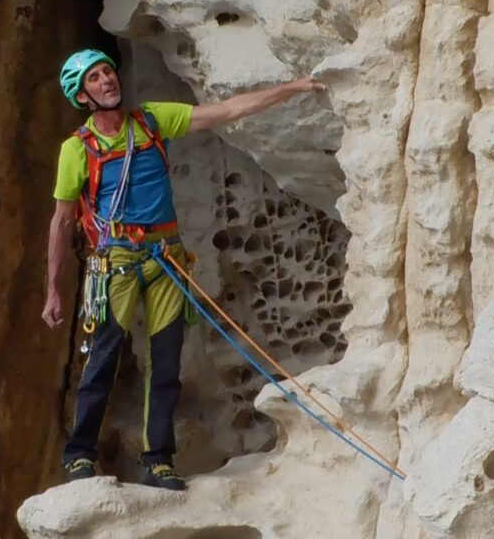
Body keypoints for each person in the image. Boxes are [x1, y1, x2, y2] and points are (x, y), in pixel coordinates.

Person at [42, 47, 321, 489]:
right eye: (93, 78)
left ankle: (157, 460)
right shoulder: (77, 150)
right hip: (114, 260)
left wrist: (293, 88)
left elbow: (225, 111)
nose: (107, 80)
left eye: (107, 72)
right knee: (103, 358)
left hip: (165, 256)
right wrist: (54, 290)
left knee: (165, 362)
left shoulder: (151, 122)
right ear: (82, 97)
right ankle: (79, 455)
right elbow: (61, 221)